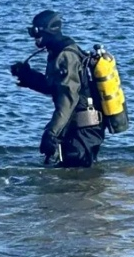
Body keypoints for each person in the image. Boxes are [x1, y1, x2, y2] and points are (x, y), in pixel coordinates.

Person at [9, 10, 105, 168]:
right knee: (72, 181)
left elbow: (67, 100)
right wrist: (28, 77)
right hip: (77, 128)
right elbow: (53, 88)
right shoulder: (57, 52)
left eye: (36, 31)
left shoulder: (66, 56)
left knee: (78, 182)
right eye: (31, 31)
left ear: (50, 30)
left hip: (83, 130)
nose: (34, 37)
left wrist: (51, 133)